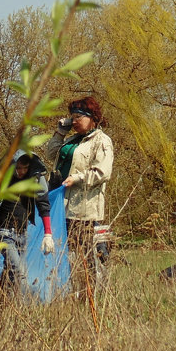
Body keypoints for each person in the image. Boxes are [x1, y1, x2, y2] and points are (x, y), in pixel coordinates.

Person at [43, 96, 114, 312]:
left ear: (92, 118)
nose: (74, 121)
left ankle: (88, 298)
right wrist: (60, 132)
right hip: (61, 206)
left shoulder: (101, 141)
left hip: (82, 209)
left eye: (78, 117)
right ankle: (67, 295)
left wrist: (78, 178)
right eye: (72, 117)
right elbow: (50, 154)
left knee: (83, 256)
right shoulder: (72, 141)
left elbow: (103, 172)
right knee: (65, 254)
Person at [0, 153, 54, 304]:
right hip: (5, 232)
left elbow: (43, 204)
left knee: (8, 272)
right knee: (18, 271)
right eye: (17, 168)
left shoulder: (35, 179)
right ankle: (23, 306)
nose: (21, 172)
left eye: (24, 168)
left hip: (22, 234)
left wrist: (48, 234)